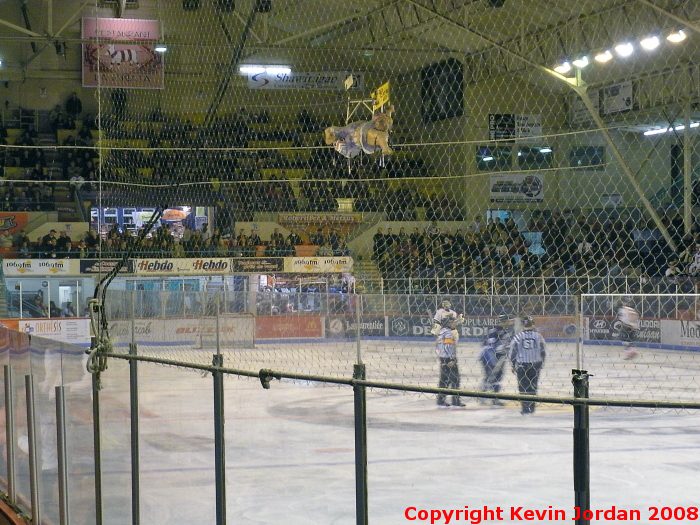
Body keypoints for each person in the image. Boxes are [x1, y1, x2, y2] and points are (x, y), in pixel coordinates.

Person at [510, 316, 546, 415]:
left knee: (523, 387)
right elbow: (543, 350)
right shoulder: (538, 336)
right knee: (533, 386)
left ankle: (525, 407)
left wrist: (513, 364)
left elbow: (513, 351)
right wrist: (542, 362)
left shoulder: (518, 336)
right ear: (532, 324)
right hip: (535, 364)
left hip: (522, 364)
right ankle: (532, 407)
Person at [479, 314, 511, 405]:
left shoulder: (497, 330)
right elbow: (490, 346)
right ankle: (491, 398)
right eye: (508, 321)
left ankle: (486, 396)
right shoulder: (497, 332)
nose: (510, 323)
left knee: (493, 377)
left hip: (492, 356)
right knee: (493, 376)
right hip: (490, 357)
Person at [435, 314, 465, 408]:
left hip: (443, 358)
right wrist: (451, 359)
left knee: (444, 380)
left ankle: (441, 400)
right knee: (455, 380)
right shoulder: (448, 333)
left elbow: (438, 347)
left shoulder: (441, 332)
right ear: (448, 323)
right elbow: (448, 346)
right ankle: (455, 401)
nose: (455, 323)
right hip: (449, 359)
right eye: (453, 322)